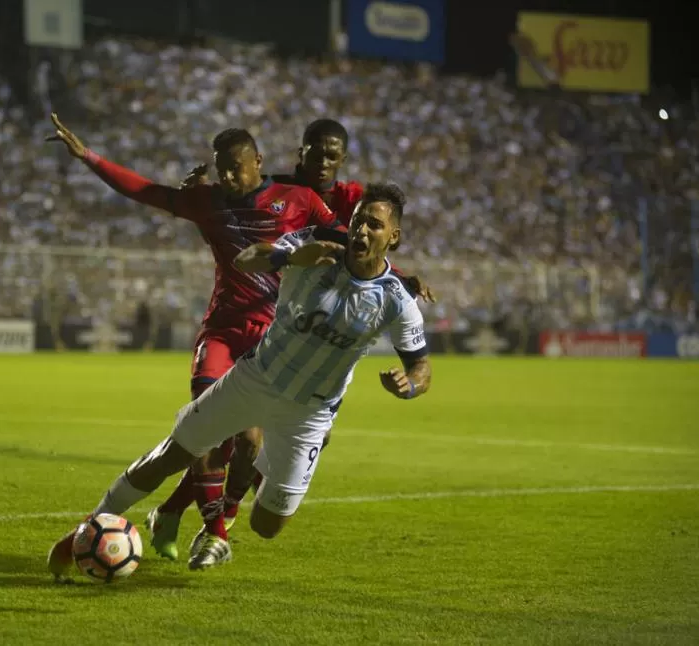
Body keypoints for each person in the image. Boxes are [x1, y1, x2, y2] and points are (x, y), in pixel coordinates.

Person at [47, 182, 431, 575]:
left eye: (374, 225)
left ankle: (265, 462)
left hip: (309, 414)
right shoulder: (316, 244)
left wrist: (410, 384)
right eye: (357, 221)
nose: (362, 231)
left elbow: (421, 367)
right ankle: (81, 530)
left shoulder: (397, 300)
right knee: (171, 454)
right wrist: (297, 255)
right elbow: (249, 259)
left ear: (393, 237)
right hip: (254, 379)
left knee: (267, 526)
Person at [149, 119, 436, 559]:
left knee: (247, 445)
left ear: (342, 159)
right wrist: (203, 190)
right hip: (250, 324)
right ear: (299, 152)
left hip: (296, 342)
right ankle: (203, 524)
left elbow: (365, 257)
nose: (322, 161)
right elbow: (239, 209)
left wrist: (402, 278)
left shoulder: (348, 198)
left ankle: (189, 515)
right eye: (315, 152)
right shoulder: (276, 189)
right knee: (229, 436)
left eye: (332, 155)